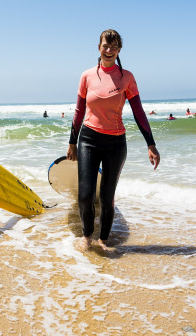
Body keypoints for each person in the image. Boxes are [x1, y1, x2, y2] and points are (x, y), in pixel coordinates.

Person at [67, 29, 160, 252]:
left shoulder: (126, 77)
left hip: (115, 144)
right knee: (86, 194)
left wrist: (151, 144)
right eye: (105, 46)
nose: (109, 50)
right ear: (98, 47)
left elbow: (138, 112)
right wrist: (72, 142)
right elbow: (79, 111)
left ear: (119, 50)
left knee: (107, 197)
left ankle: (104, 241)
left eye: (113, 47)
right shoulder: (87, 76)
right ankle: (87, 236)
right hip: (88, 139)